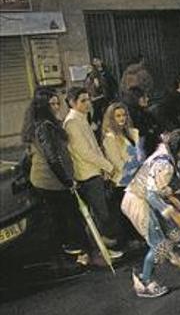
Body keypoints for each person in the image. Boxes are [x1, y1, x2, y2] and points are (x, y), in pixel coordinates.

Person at [124, 129, 180, 298]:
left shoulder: (167, 153)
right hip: (138, 201)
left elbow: (156, 187)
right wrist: (171, 212)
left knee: (174, 232)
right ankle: (144, 281)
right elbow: (151, 193)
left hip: (147, 198)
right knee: (160, 245)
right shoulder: (165, 164)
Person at [22, 88, 87, 263]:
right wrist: (67, 181)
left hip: (49, 179)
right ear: (43, 106)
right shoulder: (44, 126)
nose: (57, 107)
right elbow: (52, 157)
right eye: (53, 104)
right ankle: (74, 253)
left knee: (61, 217)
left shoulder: (42, 123)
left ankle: (71, 252)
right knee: (66, 216)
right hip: (50, 181)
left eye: (58, 103)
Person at [63, 86, 123, 264]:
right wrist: (108, 166)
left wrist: (103, 167)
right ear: (72, 103)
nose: (88, 103)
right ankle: (99, 251)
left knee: (101, 213)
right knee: (98, 214)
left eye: (88, 99)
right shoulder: (72, 122)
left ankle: (103, 246)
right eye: (83, 100)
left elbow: (93, 147)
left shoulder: (81, 118)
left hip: (94, 171)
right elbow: (85, 152)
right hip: (86, 174)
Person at [102, 102, 145, 243]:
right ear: (111, 118)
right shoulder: (110, 138)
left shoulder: (132, 133)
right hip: (122, 181)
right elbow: (117, 163)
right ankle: (129, 240)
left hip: (137, 178)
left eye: (124, 115)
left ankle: (138, 237)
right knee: (127, 215)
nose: (122, 118)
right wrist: (135, 166)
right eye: (118, 116)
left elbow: (140, 154)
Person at [121, 86, 161, 156]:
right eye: (144, 97)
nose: (147, 99)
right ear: (136, 99)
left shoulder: (145, 113)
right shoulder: (132, 116)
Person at [85, 57, 118, 131]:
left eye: (97, 60)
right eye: (94, 61)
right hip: (99, 97)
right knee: (99, 112)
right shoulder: (93, 75)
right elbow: (94, 86)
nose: (96, 62)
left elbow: (112, 83)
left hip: (107, 97)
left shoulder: (106, 72)